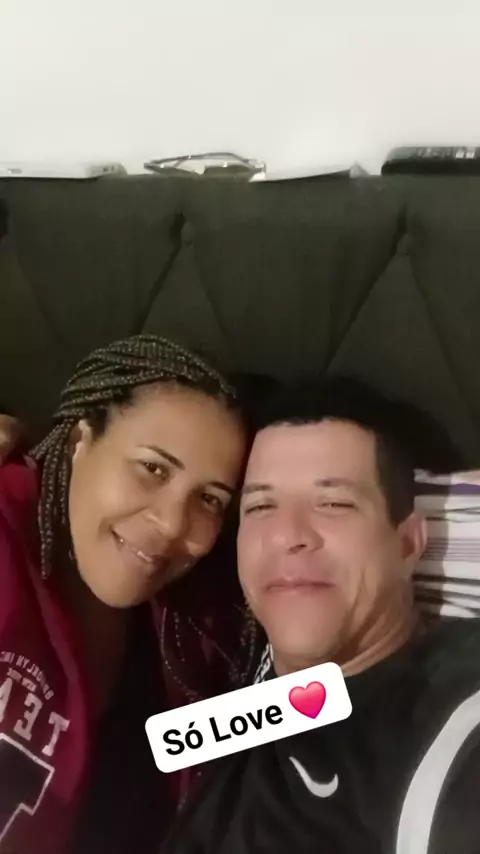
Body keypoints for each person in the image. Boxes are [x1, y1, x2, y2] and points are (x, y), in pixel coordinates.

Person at [162, 377, 480, 854]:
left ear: (408, 544)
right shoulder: (261, 686)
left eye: (334, 503)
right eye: (261, 505)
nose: (287, 535)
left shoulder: (453, 731)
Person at [0, 334, 258, 854]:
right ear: (80, 439)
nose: (172, 524)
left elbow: (271, 719)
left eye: (209, 499)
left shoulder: (193, 635)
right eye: (152, 469)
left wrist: (343, 680)